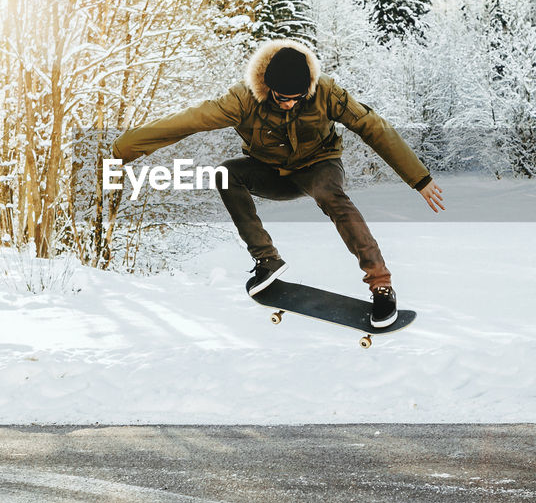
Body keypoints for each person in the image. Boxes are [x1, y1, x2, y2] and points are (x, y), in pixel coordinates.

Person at [110, 38, 444, 328]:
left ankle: (381, 285)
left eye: (297, 98)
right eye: (283, 98)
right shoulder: (242, 100)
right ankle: (267, 260)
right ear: (268, 88)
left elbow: (373, 126)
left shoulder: (326, 91)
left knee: (330, 194)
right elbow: (189, 121)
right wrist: (123, 148)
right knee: (226, 173)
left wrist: (420, 178)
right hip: (272, 172)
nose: (290, 104)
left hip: (319, 167)